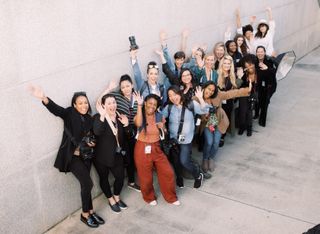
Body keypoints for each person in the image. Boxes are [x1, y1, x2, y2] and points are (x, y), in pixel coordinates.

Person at [29, 86, 104, 228]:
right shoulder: (70, 113)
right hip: (73, 158)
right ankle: (84, 214)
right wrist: (43, 97)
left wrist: (92, 142)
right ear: (74, 105)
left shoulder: (89, 118)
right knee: (88, 183)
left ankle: (91, 211)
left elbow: (93, 135)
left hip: (86, 156)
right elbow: (57, 110)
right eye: (80, 103)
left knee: (85, 185)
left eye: (85, 102)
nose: (84, 105)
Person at [134, 93, 180, 206]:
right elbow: (138, 123)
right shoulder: (140, 114)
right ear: (145, 103)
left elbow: (164, 132)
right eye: (149, 103)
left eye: (154, 104)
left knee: (168, 172)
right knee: (145, 177)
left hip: (156, 148)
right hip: (142, 148)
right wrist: (139, 106)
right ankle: (149, 197)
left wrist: (162, 128)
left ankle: (171, 197)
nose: (152, 106)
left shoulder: (159, 116)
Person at [162, 85, 209, 188]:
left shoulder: (190, 104)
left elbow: (205, 111)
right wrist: (162, 122)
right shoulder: (169, 107)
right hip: (173, 139)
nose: (173, 98)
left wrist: (201, 98)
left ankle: (198, 175)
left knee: (184, 161)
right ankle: (179, 177)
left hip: (186, 140)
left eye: (175, 94)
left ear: (180, 93)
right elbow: (161, 117)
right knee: (175, 161)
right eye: (170, 96)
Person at [200, 80, 252, 172]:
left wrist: (246, 90)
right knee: (209, 142)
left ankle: (211, 158)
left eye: (212, 90)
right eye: (209, 89)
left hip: (219, 121)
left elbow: (230, 93)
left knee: (216, 143)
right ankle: (205, 159)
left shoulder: (217, 94)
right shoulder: (198, 97)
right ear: (204, 88)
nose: (210, 92)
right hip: (208, 123)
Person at [93, 93, 130, 213]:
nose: (112, 105)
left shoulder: (120, 117)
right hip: (101, 157)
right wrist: (103, 115)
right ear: (103, 105)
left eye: (114, 102)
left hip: (117, 155)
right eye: (109, 103)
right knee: (103, 178)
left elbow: (128, 137)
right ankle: (111, 200)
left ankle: (117, 197)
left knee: (120, 177)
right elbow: (97, 132)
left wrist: (127, 124)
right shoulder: (99, 117)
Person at [104, 75, 141, 192]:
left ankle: (132, 178)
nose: (126, 89)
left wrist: (140, 104)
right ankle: (131, 181)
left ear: (132, 85)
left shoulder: (137, 97)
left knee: (135, 155)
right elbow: (103, 101)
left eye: (128, 86)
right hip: (120, 130)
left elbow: (139, 120)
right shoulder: (117, 96)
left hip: (132, 131)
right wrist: (108, 89)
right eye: (123, 87)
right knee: (127, 157)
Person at [217, 55, 239, 147]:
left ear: (231, 65)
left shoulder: (232, 76)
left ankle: (222, 136)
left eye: (228, 64)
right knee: (214, 120)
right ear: (222, 64)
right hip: (217, 103)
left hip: (228, 103)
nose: (226, 65)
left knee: (225, 120)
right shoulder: (216, 74)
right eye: (225, 63)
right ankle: (213, 136)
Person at [255, 46, 277, 126]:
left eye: (261, 52)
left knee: (265, 102)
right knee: (259, 100)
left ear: (264, 52)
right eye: (258, 51)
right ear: (256, 53)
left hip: (270, 85)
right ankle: (257, 113)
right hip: (260, 85)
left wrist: (267, 68)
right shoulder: (255, 61)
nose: (260, 53)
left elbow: (275, 72)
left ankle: (262, 121)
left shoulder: (269, 61)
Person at [238, 54, 258, 136]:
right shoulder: (243, 73)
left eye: (251, 64)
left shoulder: (258, 72)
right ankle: (242, 127)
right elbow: (238, 85)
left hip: (253, 95)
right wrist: (241, 75)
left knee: (250, 112)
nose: (249, 66)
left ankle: (249, 127)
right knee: (242, 111)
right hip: (243, 94)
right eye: (247, 64)